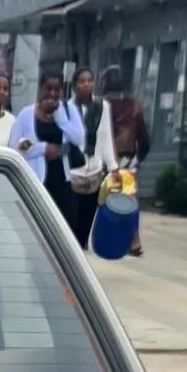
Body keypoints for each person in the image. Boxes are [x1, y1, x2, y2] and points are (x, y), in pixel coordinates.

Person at [9, 72, 86, 224]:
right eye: (48, 88)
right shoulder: (26, 114)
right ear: (40, 89)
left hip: (63, 185)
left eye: (57, 90)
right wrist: (43, 148)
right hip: (36, 183)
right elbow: (16, 146)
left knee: (67, 229)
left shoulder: (69, 110)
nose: (52, 93)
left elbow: (78, 140)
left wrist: (59, 117)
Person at [62, 67, 116, 249]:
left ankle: (80, 249)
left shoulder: (103, 107)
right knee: (72, 218)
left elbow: (106, 136)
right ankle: (71, 251)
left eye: (89, 80)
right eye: (81, 81)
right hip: (73, 171)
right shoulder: (66, 109)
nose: (86, 84)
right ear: (75, 85)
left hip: (94, 170)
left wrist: (113, 167)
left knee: (87, 219)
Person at [103, 67, 151, 255]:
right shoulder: (134, 105)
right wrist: (138, 159)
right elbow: (145, 139)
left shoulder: (101, 105)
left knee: (107, 201)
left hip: (107, 161)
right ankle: (134, 240)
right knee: (129, 200)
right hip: (129, 160)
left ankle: (111, 240)